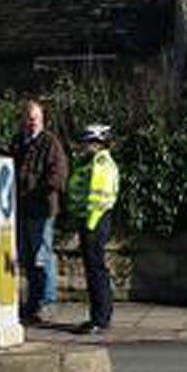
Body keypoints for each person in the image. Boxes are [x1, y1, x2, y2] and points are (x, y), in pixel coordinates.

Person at [11, 99, 69, 326]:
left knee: (42, 256)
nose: (32, 122)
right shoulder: (18, 142)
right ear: (23, 120)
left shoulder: (50, 143)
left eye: (36, 118)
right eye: (29, 118)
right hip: (21, 210)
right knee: (27, 257)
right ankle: (33, 302)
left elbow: (59, 174)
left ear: (42, 120)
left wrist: (38, 191)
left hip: (42, 209)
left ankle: (48, 302)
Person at [68, 122, 121, 336]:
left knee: (96, 270)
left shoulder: (101, 163)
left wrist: (89, 226)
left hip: (95, 222)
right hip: (90, 221)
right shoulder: (89, 161)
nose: (82, 145)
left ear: (97, 143)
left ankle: (100, 319)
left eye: (86, 142)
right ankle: (97, 317)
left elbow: (98, 198)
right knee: (94, 270)